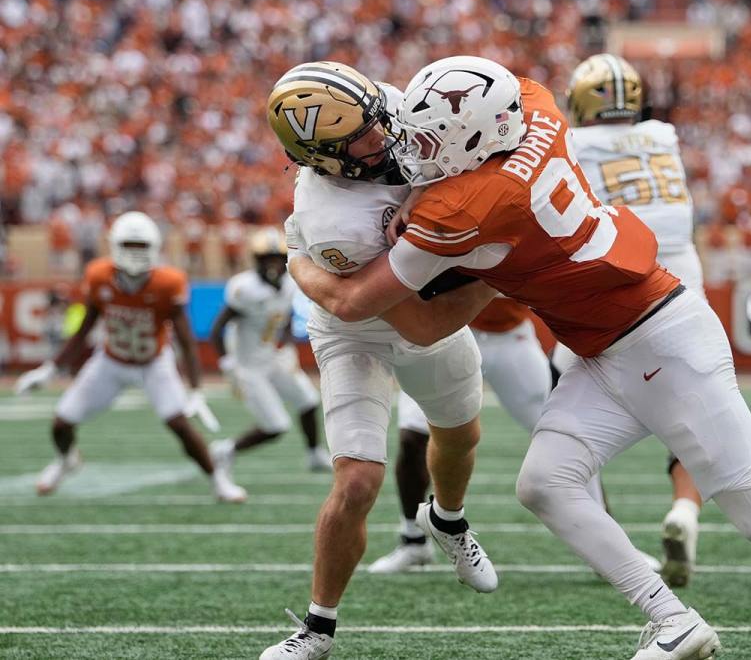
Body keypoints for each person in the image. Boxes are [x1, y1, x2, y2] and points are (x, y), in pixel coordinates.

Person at [288, 55, 751, 660]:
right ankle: (671, 619)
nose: (416, 152)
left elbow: (378, 310)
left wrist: (301, 263)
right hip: (610, 340)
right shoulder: (537, 109)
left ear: (472, 143)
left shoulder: (463, 203)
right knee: (545, 483)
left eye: (432, 141)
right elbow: (513, 91)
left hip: (658, 338)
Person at [259, 61, 501, 660]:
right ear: (324, 158)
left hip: (420, 295)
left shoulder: (389, 107)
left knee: (461, 437)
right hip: (361, 325)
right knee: (358, 479)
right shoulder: (332, 219)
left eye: (376, 119)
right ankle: (317, 629)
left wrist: (427, 203)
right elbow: (411, 319)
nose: (384, 135)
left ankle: (447, 520)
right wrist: (501, 276)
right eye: (363, 138)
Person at [560, 53, 705, 587]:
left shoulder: (574, 142)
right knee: (692, 405)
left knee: (567, 401)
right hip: (685, 273)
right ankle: (685, 510)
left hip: (618, 270)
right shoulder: (663, 135)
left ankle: (599, 531)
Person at [14, 210, 245, 502]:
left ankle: (217, 480)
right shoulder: (99, 276)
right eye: (129, 246)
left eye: (141, 247)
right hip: (111, 361)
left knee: (179, 424)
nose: (135, 254)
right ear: (115, 247)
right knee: (61, 423)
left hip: (153, 363)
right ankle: (65, 461)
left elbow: (186, 341)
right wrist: (50, 369)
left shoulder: (168, 282)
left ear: (154, 248)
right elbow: (85, 328)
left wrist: (196, 389)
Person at [367, 297, 558, 574]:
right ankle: (413, 540)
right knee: (412, 438)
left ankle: (602, 542)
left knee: (562, 435)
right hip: (447, 331)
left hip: (509, 334)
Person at [207, 227, 329, 474]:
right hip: (249, 367)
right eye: (267, 259)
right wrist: (226, 363)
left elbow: (283, 320)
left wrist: (287, 346)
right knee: (276, 426)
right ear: (257, 261)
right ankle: (225, 450)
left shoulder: (290, 283)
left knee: (308, 400)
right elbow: (217, 328)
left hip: (272, 358)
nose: (273, 265)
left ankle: (314, 454)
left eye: (276, 259)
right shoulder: (244, 288)